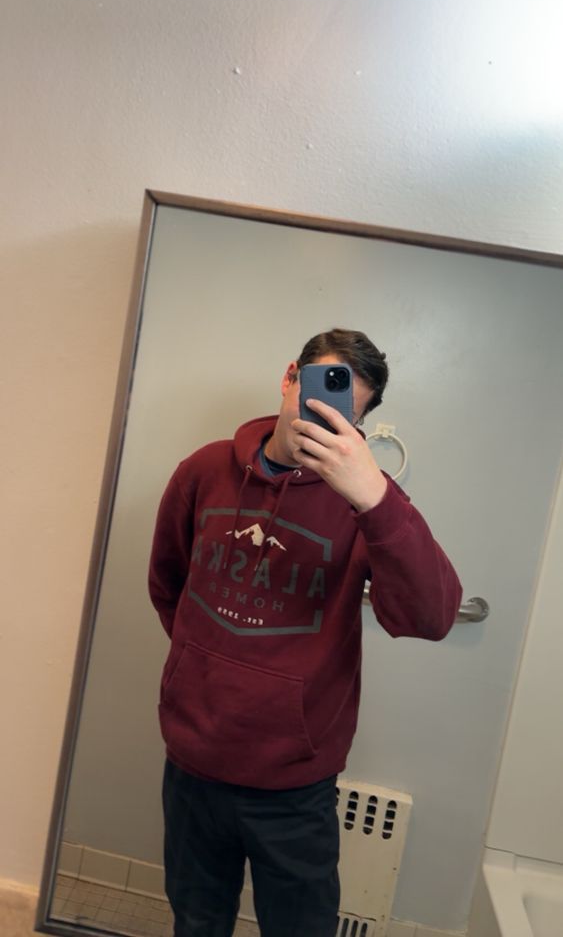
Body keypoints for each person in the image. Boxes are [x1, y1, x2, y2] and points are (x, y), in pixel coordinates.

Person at [148, 328, 462, 937]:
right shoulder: (205, 470)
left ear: (359, 422)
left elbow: (431, 617)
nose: (320, 416)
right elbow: (168, 583)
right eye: (314, 393)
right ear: (290, 377)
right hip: (193, 763)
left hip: (293, 784)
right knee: (196, 921)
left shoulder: (368, 501)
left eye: (343, 410)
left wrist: (374, 498)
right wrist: (203, 673)